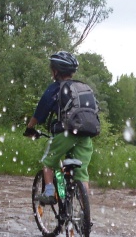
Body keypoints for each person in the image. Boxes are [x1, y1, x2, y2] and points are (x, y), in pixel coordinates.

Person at [24, 51, 94, 205]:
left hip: (66, 133)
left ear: (56, 71)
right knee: (81, 173)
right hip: (86, 135)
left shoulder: (55, 88)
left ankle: (50, 192)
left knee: (49, 162)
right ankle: (84, 212)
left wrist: (30, 128)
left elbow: (39, 113)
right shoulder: (82, 88)